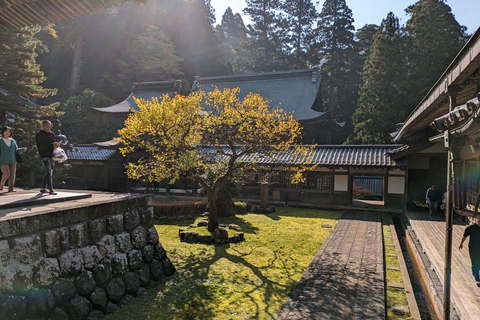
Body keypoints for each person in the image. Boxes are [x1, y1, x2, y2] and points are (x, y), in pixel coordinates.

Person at [36, 120, 60, 195]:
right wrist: (51, 145)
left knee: (49, 171)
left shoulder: (52, 134)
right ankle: (51, 189)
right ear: (42, 126)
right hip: (44, 154)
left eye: (49, 126)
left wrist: (56, 145)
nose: (48, 127)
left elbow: (53, 142)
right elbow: (40, 145)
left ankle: (43, 188)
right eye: (46, 126)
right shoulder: (39, 134)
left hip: (51, 154)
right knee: (48, 170)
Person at [0, 127, 26, 192]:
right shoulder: (0, 141)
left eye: (9, 131)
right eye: (6, 131)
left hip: (13, 160)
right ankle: (1, 185)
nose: (7, 132)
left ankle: (11, 188)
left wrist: (22, 150)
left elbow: (16, 150)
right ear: (3, 132)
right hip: (3, 160)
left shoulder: (13, 141)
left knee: (12, 175)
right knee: (7, 174)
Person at [459, 215, 480, 286]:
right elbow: (464, 236)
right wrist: (461, 243)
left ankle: (475, 272)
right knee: (475, 261)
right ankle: (477, 277)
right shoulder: (471, 228)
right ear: (477, 220)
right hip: (473, 247)